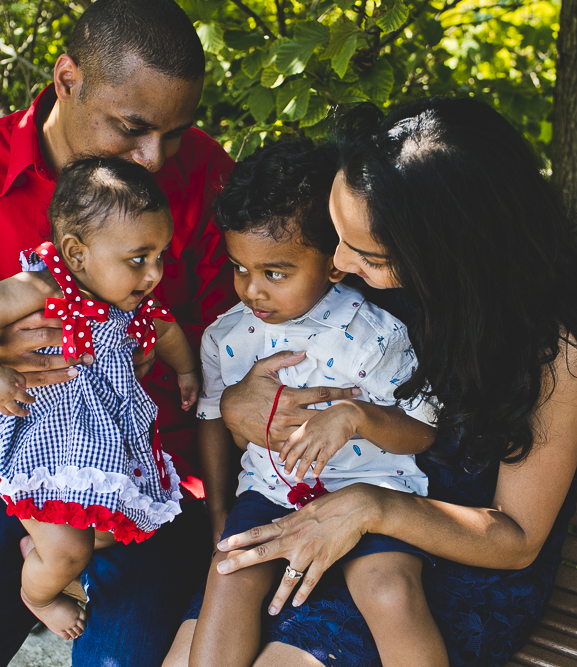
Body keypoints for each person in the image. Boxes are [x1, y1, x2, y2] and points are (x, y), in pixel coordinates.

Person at [166, 98, 577, 667]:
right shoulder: (362, 271)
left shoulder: (550, 352)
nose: (338, 263)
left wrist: (371, 508)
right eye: (335, 234)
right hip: (314, 514)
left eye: (366, 255)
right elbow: (271, 388)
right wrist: (236, 407)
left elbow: (517, 538)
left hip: (447, 567)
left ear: (446, 252)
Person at [0, 1, 246, 665]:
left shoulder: (201, 171)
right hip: (20, 484)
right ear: (67, 78)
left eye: (173, 132)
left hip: (156, 485)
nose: (154, 157)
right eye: (132, 128)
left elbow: (233, 340)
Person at [178, 139, 448, 667]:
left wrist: (355, 418)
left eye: (275, 273)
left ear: (333, 264)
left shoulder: (373, 336)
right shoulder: (226, 337)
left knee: (389, 592)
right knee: (227, 575)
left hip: (372, 494)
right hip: (270, 493)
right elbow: (211, 417)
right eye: (239, 268)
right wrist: (218, 511)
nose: (252, 290)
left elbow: (422, 430)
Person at [0, 158, 200, 640]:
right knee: (72, 551)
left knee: (109, 531)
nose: (153, 274)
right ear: (76, 253)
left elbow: (166, 331)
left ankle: (35, 551)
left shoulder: (136, 303)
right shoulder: (46, 287)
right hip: (41, 441)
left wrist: (187, 369)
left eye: (160, 256)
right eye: (138, 259)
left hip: (99, 449)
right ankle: (38, 594)